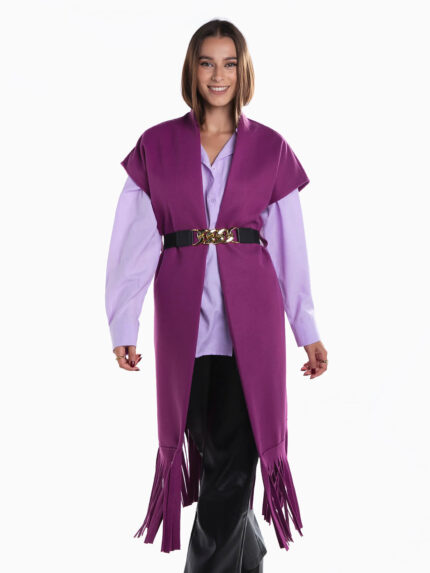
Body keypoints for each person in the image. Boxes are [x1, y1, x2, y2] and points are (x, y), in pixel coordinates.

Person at [105, 19, 328, 573]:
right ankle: (249, 556)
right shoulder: (156, 145)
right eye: (207, 62)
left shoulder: (271, 149)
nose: (218, 75)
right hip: (184, 331)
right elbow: (134, 241)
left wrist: (306, 329)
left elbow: (290, 249)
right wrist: (123, 323)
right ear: (193, 69)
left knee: (233, 470)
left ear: (243, 71)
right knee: (216, 465)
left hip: (250, 334)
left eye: (229, 63)